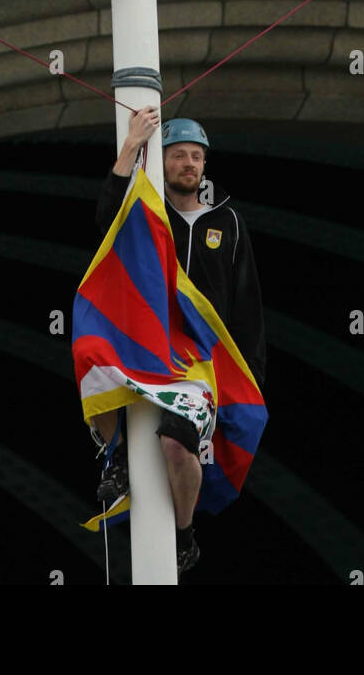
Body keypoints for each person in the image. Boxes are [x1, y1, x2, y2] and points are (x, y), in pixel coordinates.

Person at [89, 106, 266, 577]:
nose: (188, 164)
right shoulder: (147, 213)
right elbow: (107, 221)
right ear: (162, 161)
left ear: (205, 165)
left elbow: (246, 307)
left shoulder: (227, 225)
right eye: (178, 155)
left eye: (197, 157)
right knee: (92, 354)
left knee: (175, 444)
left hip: (197, 364)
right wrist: (130, 147)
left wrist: (249, 383)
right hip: (142, 347)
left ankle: (184, 537)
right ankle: (118, 459)